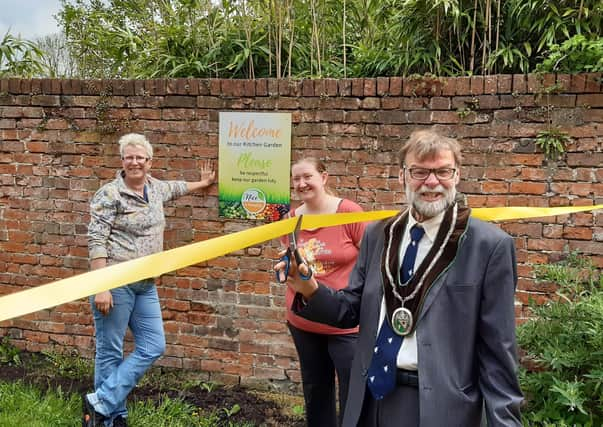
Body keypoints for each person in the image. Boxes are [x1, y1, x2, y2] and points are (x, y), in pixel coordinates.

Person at [276, 129, 523, 426]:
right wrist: (310, 288)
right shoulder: (378, 234)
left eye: (443, 171)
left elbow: (499, 352)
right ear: (402, 176)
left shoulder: (488, 245)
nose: (431, 182)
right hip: (369, 399)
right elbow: (350, 310)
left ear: (457, 176)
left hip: (439, 406)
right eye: (419, 171)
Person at [84, 133, 216, 427]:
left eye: (140, 158)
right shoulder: (109, 194)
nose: (134, 162)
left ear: (149, 161)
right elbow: (96, 239)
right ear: (122, 161)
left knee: (154, 345)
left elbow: (177, 188)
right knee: (110, 350)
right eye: (129, 157)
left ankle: (101, 402)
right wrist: (101, 285)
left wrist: (203, 183)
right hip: (115, 281)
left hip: (145, 285)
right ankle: (110, 418)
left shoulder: (155, 188)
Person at [282, 158, 366, 427]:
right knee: (316, 391)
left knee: (354, 394)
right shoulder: (291, 219)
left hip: (346, 326)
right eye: (296, 179)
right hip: (304, 322)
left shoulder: (349, 212)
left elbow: (371, 261)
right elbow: (291, 261)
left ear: (324, 177)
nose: (301, 184)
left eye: (307, 176)